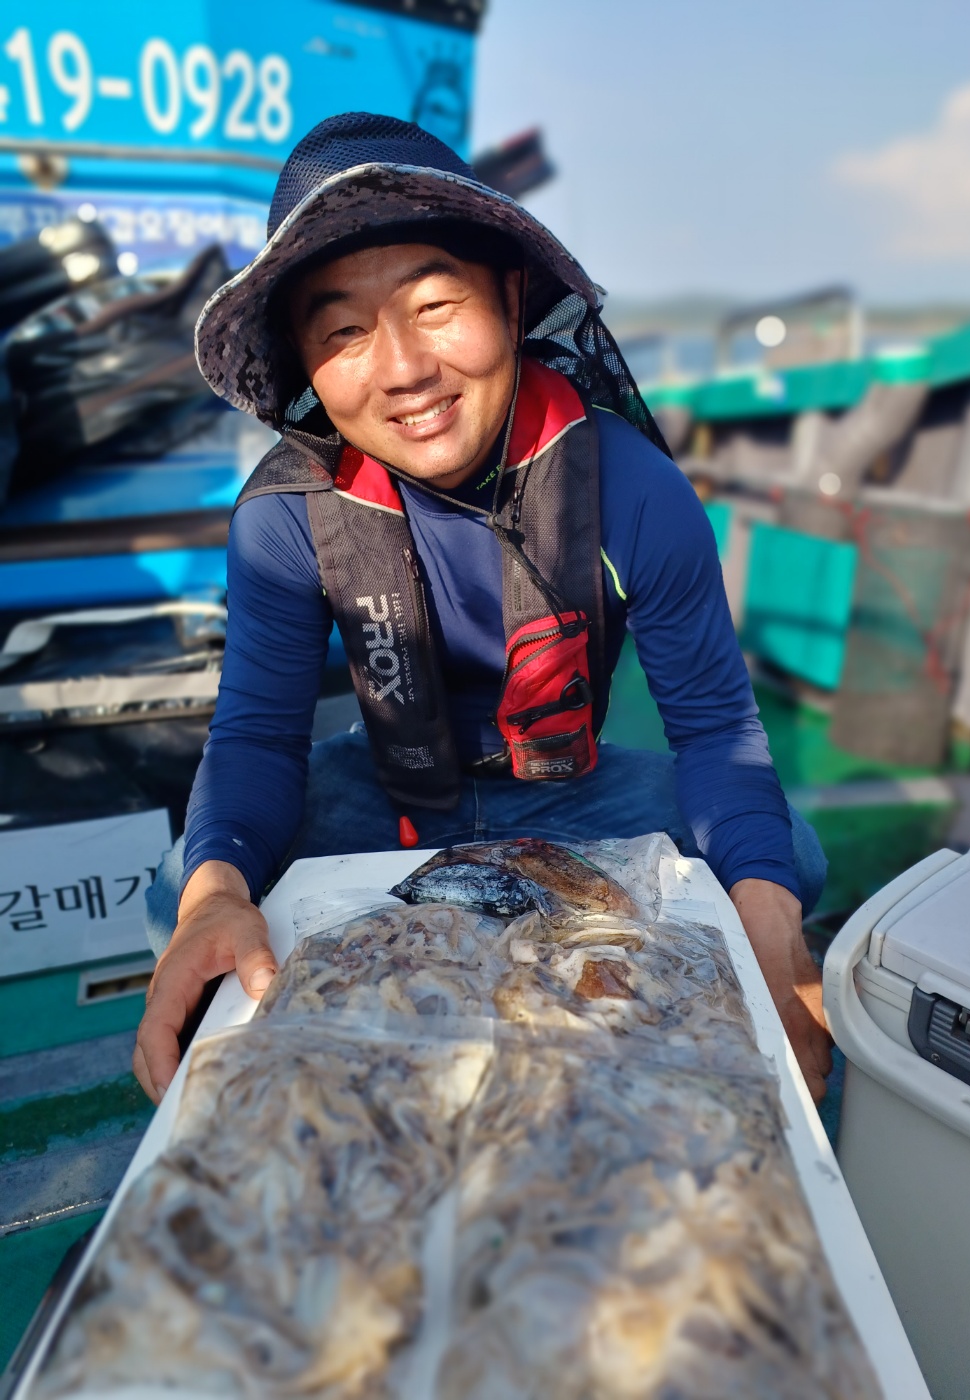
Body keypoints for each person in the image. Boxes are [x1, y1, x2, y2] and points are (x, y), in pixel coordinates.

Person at [134, 112, 833, 1107]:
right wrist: (215, 894)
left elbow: (718, 728)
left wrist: (768, 928)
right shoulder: (284, 515)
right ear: (304, 360)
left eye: (434, 304)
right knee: (185, 886)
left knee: (785, 858)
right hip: (388, 791)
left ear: (509, 297)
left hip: (569, 791)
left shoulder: (633, 486)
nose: (404, 369)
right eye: (343, 331)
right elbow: (256, 736)